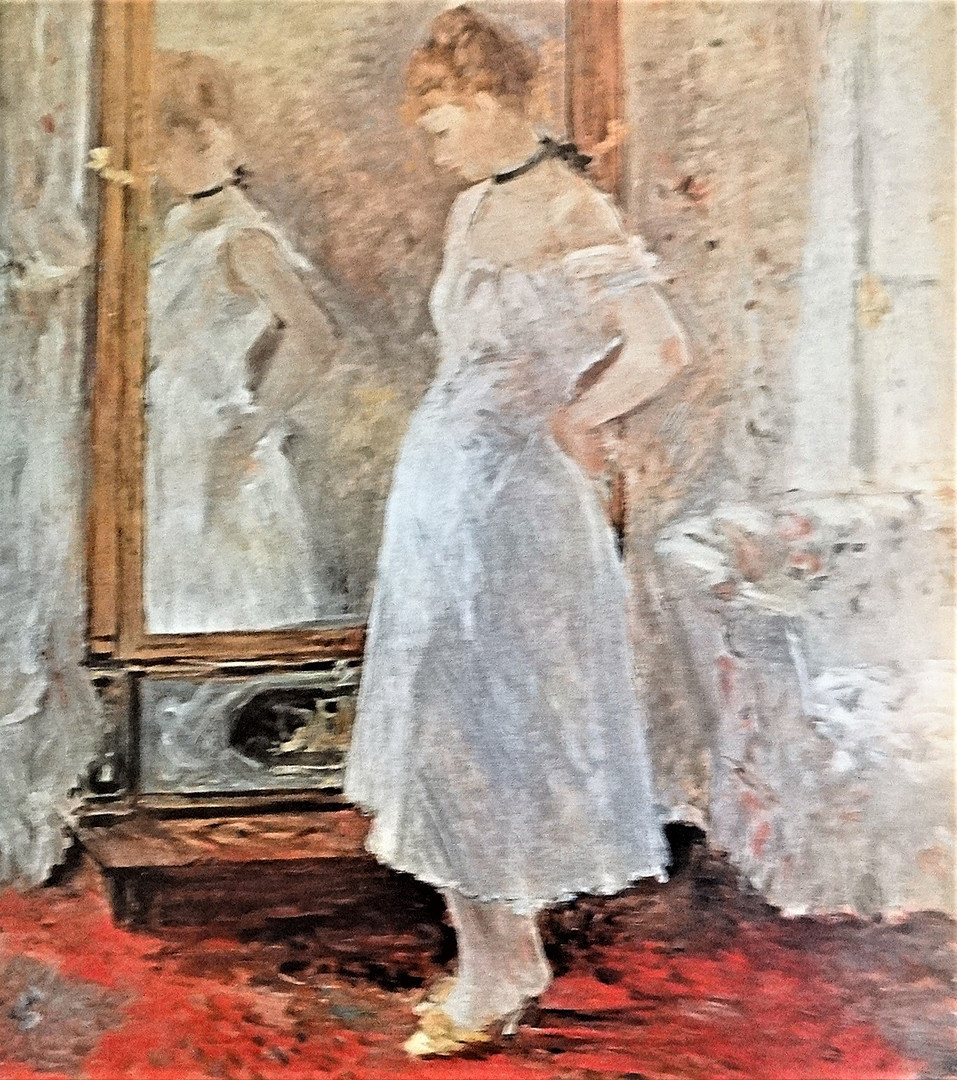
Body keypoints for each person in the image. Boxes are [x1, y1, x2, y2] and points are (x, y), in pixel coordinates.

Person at [343, 6, 692, 1056]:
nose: (432, 146)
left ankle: (499, 967)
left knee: (492, 729)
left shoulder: (572, 209)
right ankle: (497, 954)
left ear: (490, 101)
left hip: (515, 508)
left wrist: (579, 417)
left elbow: (660, 348)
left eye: (442, 123)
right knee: (440, 724)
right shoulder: (474, 208)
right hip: (440, 490)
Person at [145, 51, 341, 633]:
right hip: (168, 433)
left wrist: (252, 427)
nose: (151, 164)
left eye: (159, 148)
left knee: (226, 595)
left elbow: (314, 336)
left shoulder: (243, 238)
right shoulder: (181, 223)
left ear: (204, 139)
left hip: (211, 436)